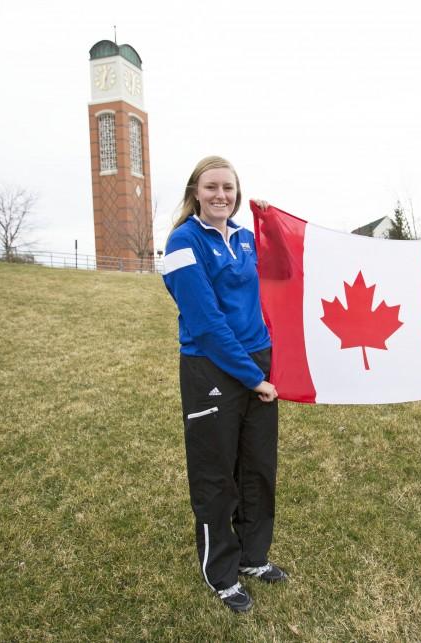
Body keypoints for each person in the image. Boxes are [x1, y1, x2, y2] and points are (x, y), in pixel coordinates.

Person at [162, 155, 286, 613]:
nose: (221, 195)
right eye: (211, 187)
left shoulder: (246, 238)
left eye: (228, 188)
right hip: (212, 367)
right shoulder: (182, 241)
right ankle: (222, 573)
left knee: (257, 469)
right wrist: (254, 378)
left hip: (258, 363)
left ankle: (254, 557)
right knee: (216, 476)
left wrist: (271, 225)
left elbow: (286, 273)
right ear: (195, 190)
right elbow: (207, 324)